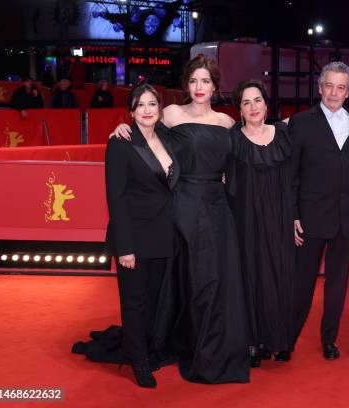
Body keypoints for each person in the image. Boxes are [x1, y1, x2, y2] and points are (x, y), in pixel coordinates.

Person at [110, 54, 250, 384]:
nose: (199, 87)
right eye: (194, 80)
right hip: (183, 207)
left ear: (215, 85)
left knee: (215, 281)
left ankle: (212, 347)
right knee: (188, 280)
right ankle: (172, 340)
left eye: (206, 81)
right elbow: (145, 137)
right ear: (186, 84)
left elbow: (242, 161)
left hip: (217, 208)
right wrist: (122, 127)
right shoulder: (171, 114)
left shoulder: (228, 122)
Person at [78, 84, 179, 388]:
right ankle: (138, 362)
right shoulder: (121, 143)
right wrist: (125, 247)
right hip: (134, 238)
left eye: (152, 104)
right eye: (140, 105)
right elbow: (116, 198)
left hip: (164, 235)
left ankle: (146, 347)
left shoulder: (167, 137)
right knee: (134, 302)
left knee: (153, 301)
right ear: (131, 111)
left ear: (159, 108)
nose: (147, 110)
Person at [289, 61, 349, 360]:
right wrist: (293, 214)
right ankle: (288, 338)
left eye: (341, 87)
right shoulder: (300, 122)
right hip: (309, 217)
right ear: (319, 87)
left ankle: (329, 340)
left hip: (346, 218)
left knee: (337, 287)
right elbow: (291, 174)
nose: (334, 92)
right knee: (301, 283)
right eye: (329, 86)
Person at [226, 79, 294, 367]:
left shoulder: (285, 134)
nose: (253, 107)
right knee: (251, 276)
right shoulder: (231, 139)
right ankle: (253, 342)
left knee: (280, 275)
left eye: (257, 100)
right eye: (246, 102)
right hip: (246, 221)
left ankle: (279, 340)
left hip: (280, 218)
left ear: (267, 105)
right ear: (239, 109)